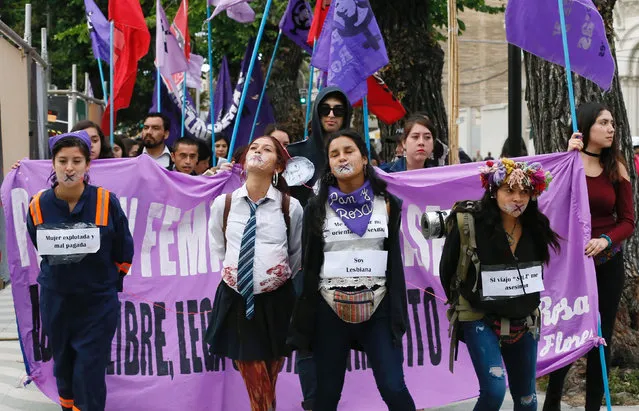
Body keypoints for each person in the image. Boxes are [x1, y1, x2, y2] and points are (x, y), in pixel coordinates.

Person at [289, 129, 416, 411]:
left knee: (394, 388)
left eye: (349, 151)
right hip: (329, 311)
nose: (342, 158)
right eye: (335, 154)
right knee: (325, 396)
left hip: (378, 308)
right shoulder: (316, 208)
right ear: (329, 165)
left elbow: (392, 259)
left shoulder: (388, 204)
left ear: (365, 160)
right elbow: (309, 264)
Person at [26, 131, 134, 411]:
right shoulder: (38, 205)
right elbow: (40, 245)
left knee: (89, 368)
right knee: (63, 365)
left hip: (97, 303)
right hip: (56, 301)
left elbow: (124, 249)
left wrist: (106, 283)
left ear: (88, 165)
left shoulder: (106, 201)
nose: (69, 168)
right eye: (62, 161)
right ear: (53, 164)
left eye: (77, 160)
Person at [440, 158, 559, 411]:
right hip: (480, 317)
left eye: (524, 192)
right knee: (494, 391)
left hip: (524, 321)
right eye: (509, 190)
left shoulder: (537, 227)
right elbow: (447, 269)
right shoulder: (470, 222)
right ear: (493, 191)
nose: (517, 198)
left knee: (527, 401)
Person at [543, 102, 635, 411]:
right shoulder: (567, 163)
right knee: (568, 330)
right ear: (586, 127)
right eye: (603, 123)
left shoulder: (616, 167)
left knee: (600, 336)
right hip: (573, 266)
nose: (611, 128)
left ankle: (593, 406)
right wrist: (569, 158)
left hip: (608, 263)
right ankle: (552, 401)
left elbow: (628, 220)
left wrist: (606, 240)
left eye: (612, 123)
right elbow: (549, 204)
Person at [205, 136, 303, 411]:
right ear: (243, 160)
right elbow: (220, 248)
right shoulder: (223, 205)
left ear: (278, 166)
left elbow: (295, 254)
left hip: (276, 301)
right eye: (254, 149)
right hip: (238, 300)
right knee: (254, 376)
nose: (259, 152)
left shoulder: (290, 207)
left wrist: (273, 278)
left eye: (267, 149)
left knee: (270, 375)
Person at [287, 86, 353, 208]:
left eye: (338, 110)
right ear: (317, 112)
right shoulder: (292, 153)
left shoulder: (355, 156)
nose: (331, 115)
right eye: (325, 109)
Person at [382, 113, 448, 172]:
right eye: (415, 137)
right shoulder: (384, 174)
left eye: (427, 137)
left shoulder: (438, 176)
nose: (421, 142)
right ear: (404, 143)